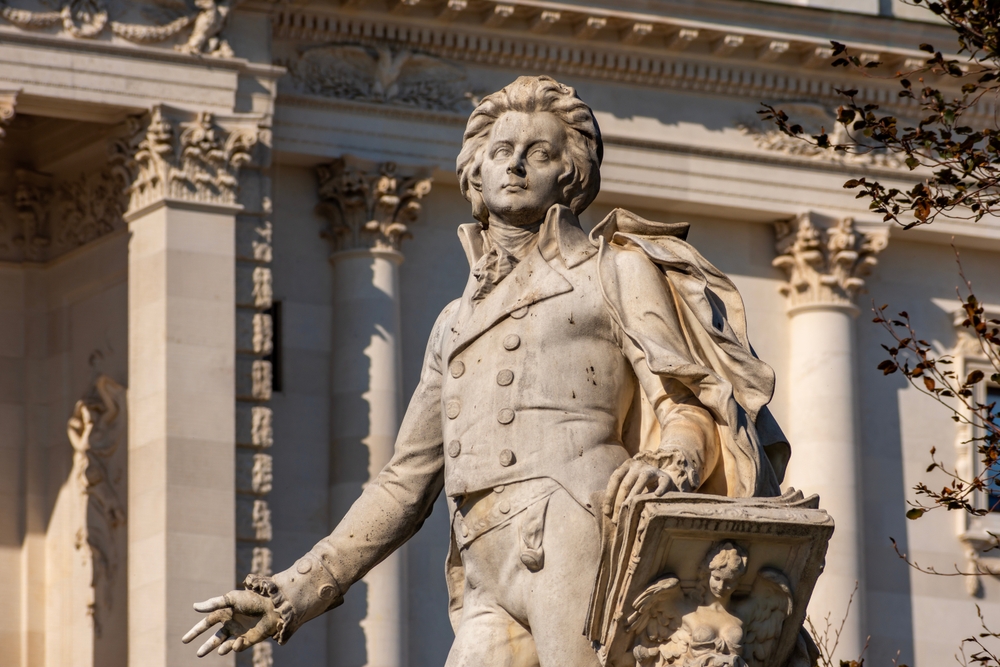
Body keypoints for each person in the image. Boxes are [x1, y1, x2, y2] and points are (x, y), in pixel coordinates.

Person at [182, 75, 789, 666]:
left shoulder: (613, 270)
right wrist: (293, 591)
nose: (516, 165)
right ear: (476, 171)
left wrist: (671, 461)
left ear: (571, 175)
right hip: (481, 565)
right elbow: (404, 481)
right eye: (502, 151)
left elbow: (685, 400)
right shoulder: (453, 322)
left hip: (574, 527)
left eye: (539, 153)